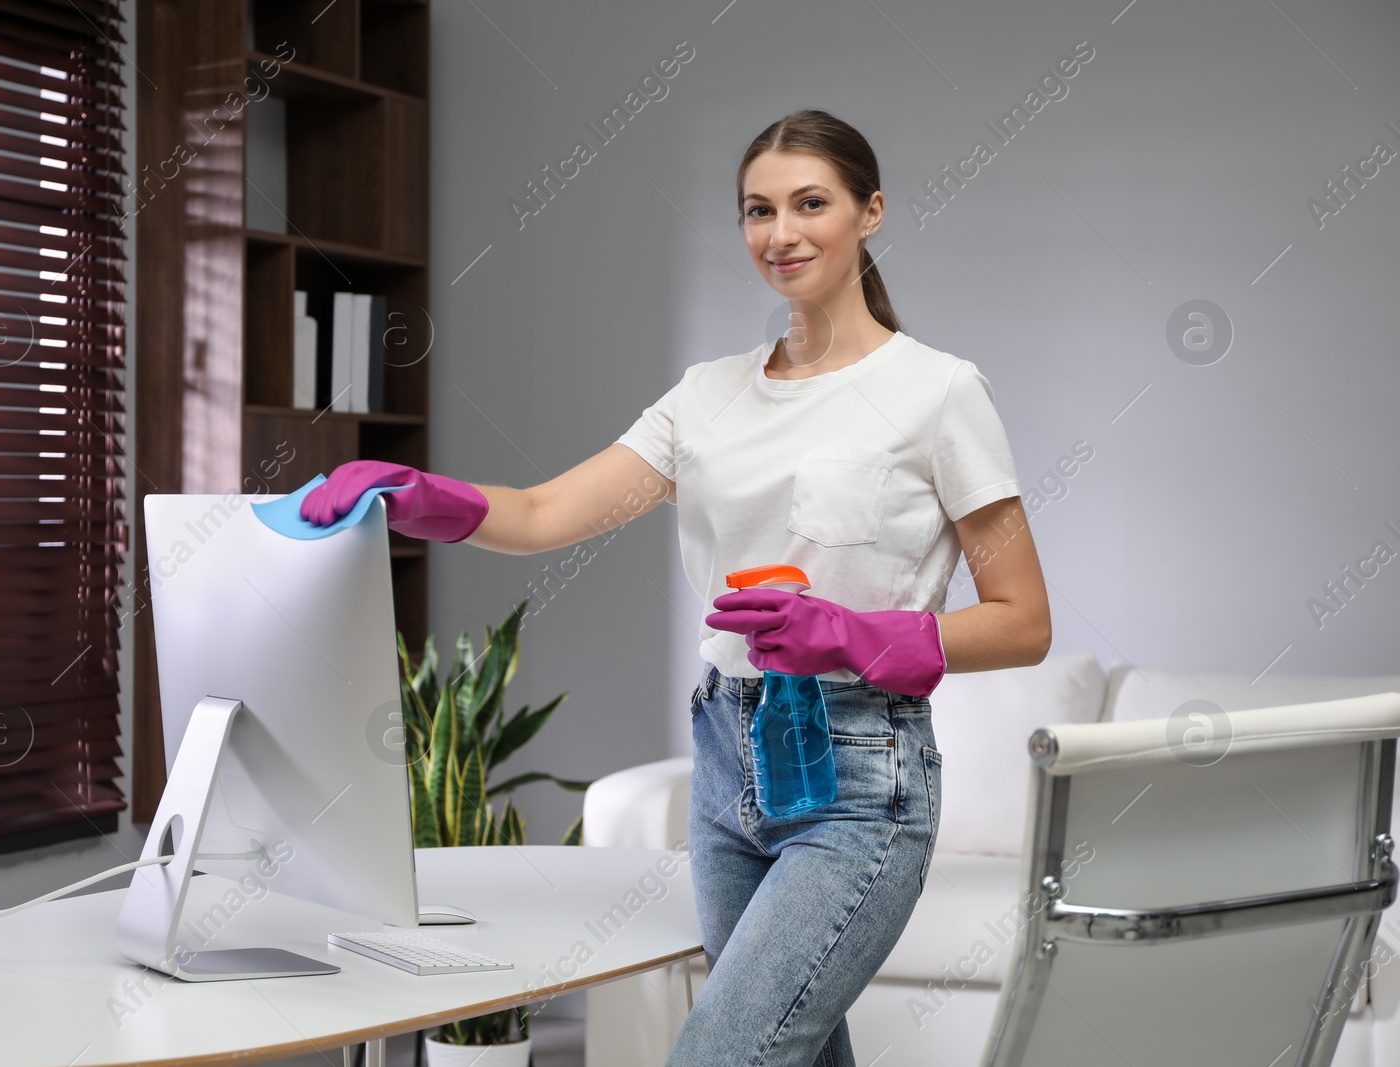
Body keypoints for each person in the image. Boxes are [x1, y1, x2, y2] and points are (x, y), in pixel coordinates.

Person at [301, 107, 1050, 1067]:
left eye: (810, 204)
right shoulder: (707, 395)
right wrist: (415, 494)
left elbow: (1023, 620)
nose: (781, 235)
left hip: (863, 774)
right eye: (757, 210)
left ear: (870, 213)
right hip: (727, 754)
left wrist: (859, 637)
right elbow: (539, 513)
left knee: (722, 1054)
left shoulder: (940, 392)